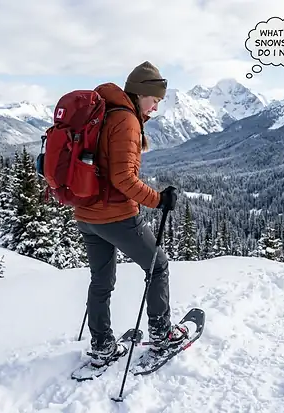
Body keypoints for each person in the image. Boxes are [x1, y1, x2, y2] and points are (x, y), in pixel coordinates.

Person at [73, 61, 186, 364]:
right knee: (158, 266)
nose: (156, 108)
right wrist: (158, 199)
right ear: (139, 93)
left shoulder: (104, 112)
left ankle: (101, 345)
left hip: (86, 215)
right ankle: (161, 333)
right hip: (116, 216)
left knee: (101, 280)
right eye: (154, 100)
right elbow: (123, 179)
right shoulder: (126, 121)